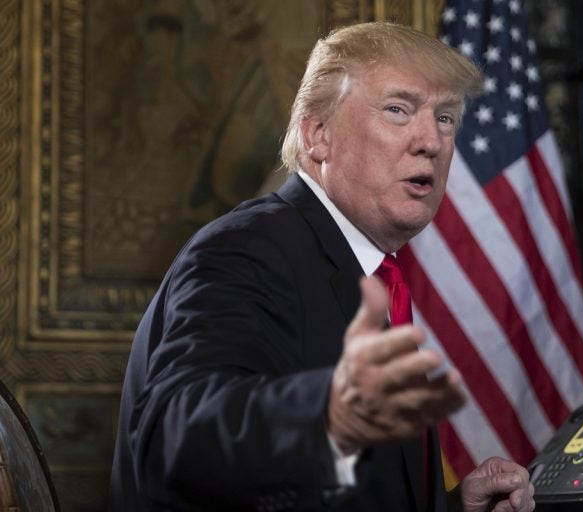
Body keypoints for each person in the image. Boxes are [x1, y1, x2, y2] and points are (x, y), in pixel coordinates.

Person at [108, 21, 536, 512]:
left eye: (445, 118)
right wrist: (326, 415)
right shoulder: (250, 248)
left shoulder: (364, 268)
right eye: (398, 110)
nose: (432, 142)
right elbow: (175, 440)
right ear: (318, 136)